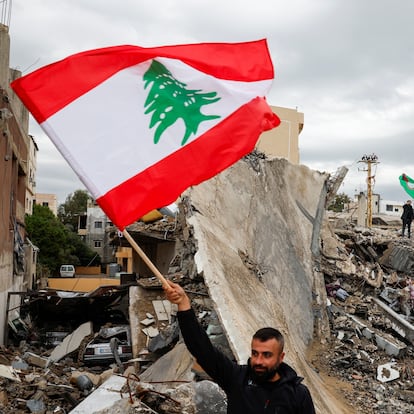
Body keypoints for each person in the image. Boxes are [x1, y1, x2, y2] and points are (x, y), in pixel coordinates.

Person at [164, 280, 316, 414]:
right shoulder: (237, 378)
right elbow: (202, 350)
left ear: (280, 357)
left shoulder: (298, 395)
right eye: (255, 353)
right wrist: (183, 303)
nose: (258, 361)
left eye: (267, 355)